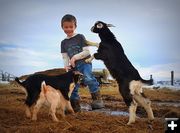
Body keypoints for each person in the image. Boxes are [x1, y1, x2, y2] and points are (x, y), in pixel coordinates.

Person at [60, 14, 104, 112]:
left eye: (71, 27)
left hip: (84, 63)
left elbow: (87, 52)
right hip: (73, 67)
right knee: (73, 85)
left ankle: (97, 100)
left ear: (75, 26)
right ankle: (74, 105)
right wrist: (66, 67)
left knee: (88, 78)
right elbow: (65, 56)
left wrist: (75, 57)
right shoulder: (63, 43)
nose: (68, 29)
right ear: (62, 27)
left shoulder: (80, 37)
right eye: (66, 27)